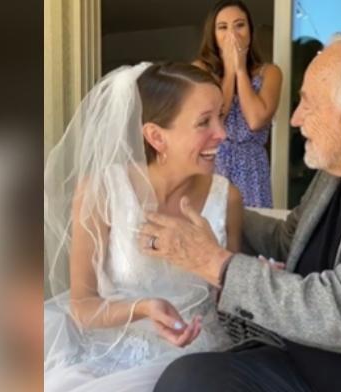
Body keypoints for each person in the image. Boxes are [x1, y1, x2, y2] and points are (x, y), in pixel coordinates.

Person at [142, 33, 341, 392]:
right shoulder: (338, 167)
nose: (294, 119)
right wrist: (212, 207)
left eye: (307, 103)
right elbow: (290, 240)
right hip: (305, 355)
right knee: (190, 381)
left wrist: (216, 264)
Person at [43, 62, 245, 392]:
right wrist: (143, 309)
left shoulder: (227, 198)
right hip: (109, 358)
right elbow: (82, 306)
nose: (222, 133)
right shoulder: (102, 191)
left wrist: (231, 267)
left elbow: (233, 304)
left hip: (197, 363)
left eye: (221, 116)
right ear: (155, 136)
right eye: (204, 122)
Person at [194, 0, 283, 208]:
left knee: (251, 234)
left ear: (250, 31)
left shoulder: (270, 72)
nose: (232, 34)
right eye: (223, 27)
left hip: (252, 168)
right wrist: (229, 71)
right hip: (214, 160)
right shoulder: (200, 70)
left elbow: (255, 120)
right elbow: (216, 117)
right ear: (213, 35)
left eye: (239, 25)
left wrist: (241, 70)